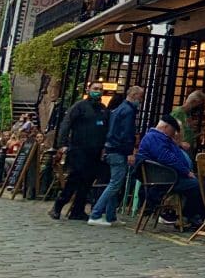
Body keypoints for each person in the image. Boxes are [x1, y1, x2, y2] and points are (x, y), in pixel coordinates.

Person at [50, 82, 108, 221]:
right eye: (95, 89)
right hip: (78, 149)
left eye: (100, 89)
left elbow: (105, 129)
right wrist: (62, 144)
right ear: (88, 90)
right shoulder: (79, 106)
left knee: (87, 181)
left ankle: (77, 210)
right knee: (74, 179)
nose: (98, 91)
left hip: (95, 151)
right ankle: (58, 206)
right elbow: (66, 124)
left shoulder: (103, 109)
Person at [88, 85, 144, 226]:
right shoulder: (128, 111)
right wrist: (130, 152)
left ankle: (111, 216)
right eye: (140, 96)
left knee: (114, 183)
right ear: (135, 95)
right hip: (119, 150)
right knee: (115, 184)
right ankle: (95, 214)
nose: (141, 100)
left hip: (111, 149)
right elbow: (127, 134)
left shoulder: (119, 109)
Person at [135, 115, 205, 226]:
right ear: (166, 127)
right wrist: (186, 171)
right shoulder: (156, 138)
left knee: (195, 183)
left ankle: (189, 216)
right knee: (196, 185)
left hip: (165, 177)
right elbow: (166, 157)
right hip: (165, 179)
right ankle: (190, 216)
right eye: (173, 131)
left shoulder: (155, 137)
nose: (173, 134)